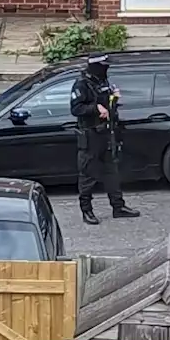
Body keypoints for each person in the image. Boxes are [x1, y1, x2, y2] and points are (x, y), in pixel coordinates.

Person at [69, 53, 140, 225]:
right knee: (88, 174)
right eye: (104, 66)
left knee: (111, 172)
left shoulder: (103, 82)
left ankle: (118, 207)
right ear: (95, 66)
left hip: (107, 134)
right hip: (90, 135)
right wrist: (95, 108)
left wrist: (114, 98)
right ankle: (87, 211)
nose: (106, 69)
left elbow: (109, 105)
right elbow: (76, 108)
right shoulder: (82, 84)